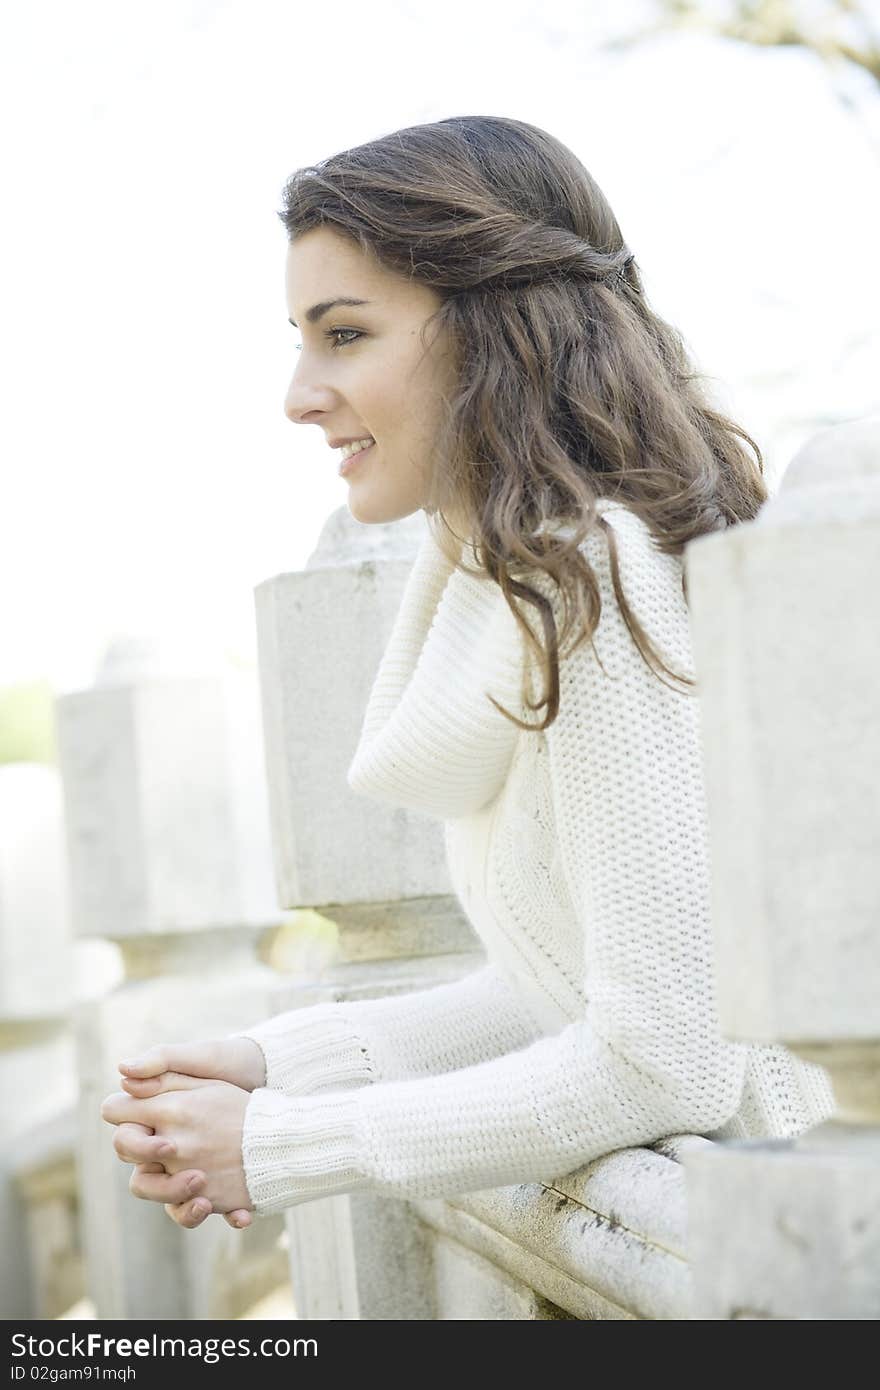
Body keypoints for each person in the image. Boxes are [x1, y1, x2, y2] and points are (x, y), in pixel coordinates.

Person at [100, 114, 836, 1232]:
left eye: (343, 335)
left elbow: (662, 1059)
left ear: (498, 327)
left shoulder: (603, 575)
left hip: (780, 1248)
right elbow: (560, 975)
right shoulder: (512, 579)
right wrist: (276, 1062)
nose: (299, 394)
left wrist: (289, 1144)